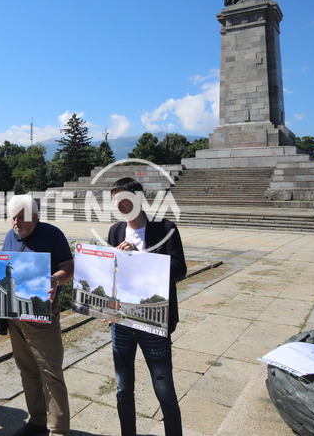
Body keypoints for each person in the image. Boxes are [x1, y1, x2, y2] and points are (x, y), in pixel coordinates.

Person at [105, 177, 187, 436]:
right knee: (123, 388)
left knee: (164, 391)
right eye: (116, 200)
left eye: (125, 199)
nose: (120, 205)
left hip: (153, 322)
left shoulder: (164, 228)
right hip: (122, 323)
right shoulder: (116, 231)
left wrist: (139, 257)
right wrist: (107, 307)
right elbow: (114, 276)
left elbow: (179, 269)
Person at [2, 195, 73, 436]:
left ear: (35, 216)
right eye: (13, 217)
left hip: (42, 314)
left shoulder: (52, 234)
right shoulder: (10, 237)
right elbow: (3, 268)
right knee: (27, 369)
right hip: (15, 316)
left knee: (50, 372)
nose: (16, 222)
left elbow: (69, 266)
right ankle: (37, 421)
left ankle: (59, 430)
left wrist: (56, 278)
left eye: (21, 218)